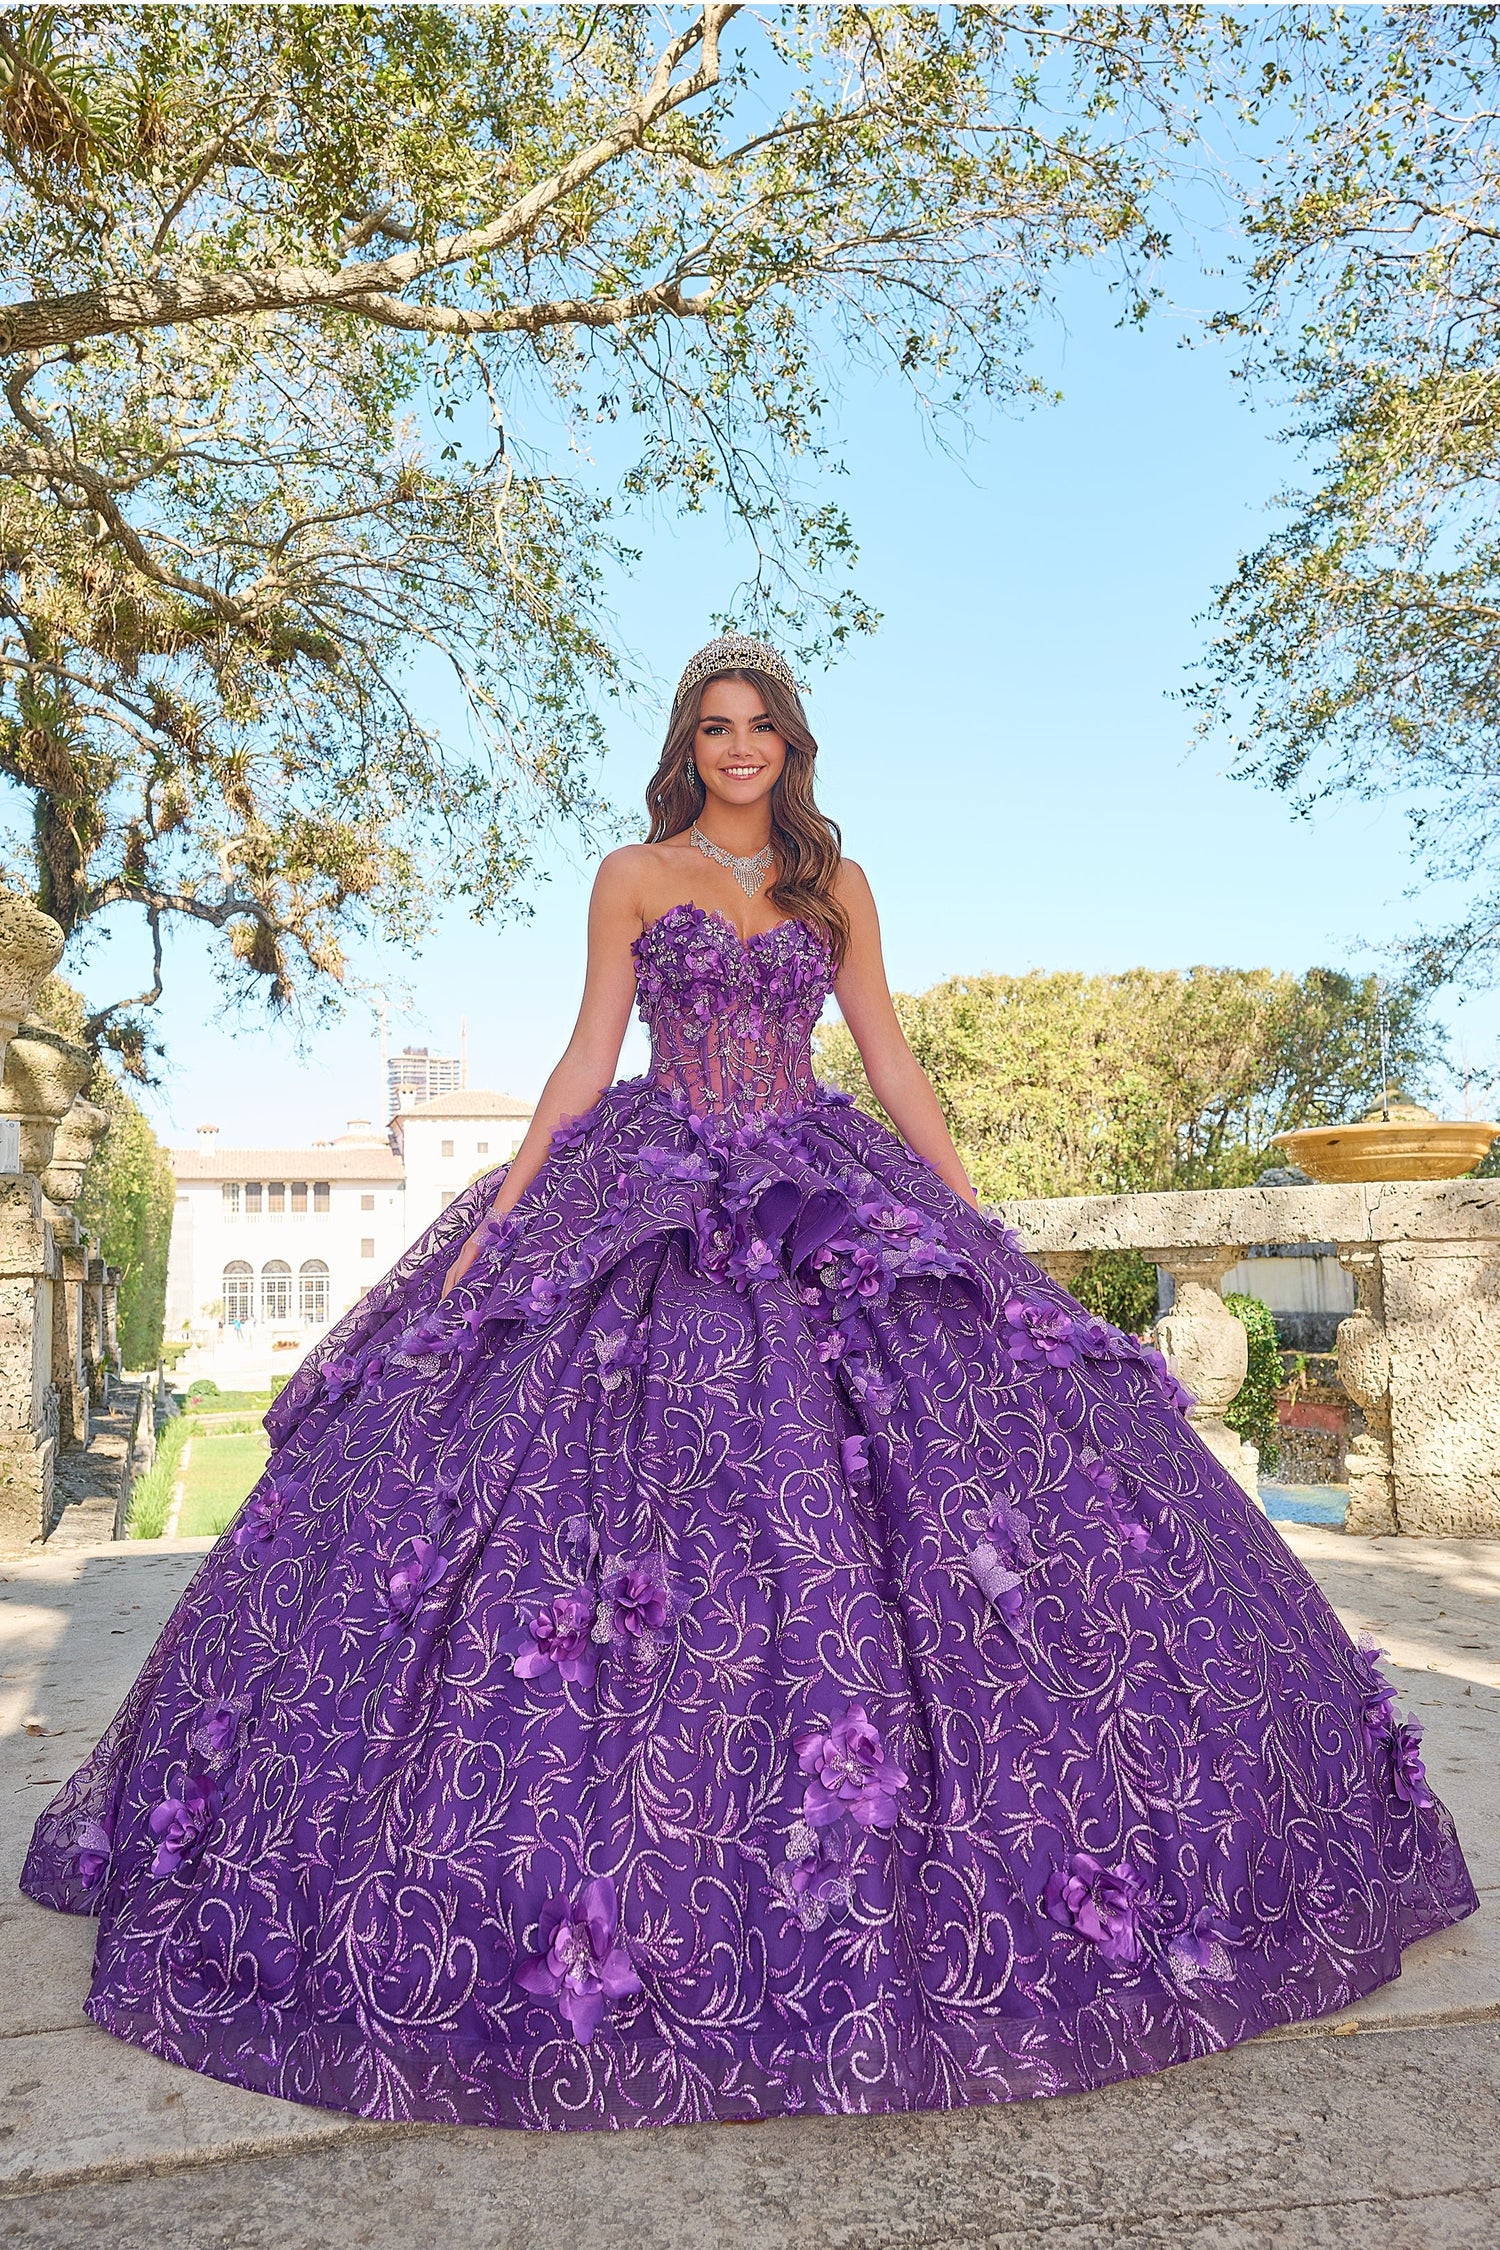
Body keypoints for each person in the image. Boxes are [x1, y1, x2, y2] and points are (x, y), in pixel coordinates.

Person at [22, 634, 1475, 2130]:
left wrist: (972, 1225)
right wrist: (500, 1225)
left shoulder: (834, 888)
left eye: (760, 725)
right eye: (715, 727)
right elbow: (588, 1059)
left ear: (790, 743)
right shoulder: (631, 876)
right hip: (649, 1193)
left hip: (813, 1181)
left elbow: (893, 1065)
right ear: (688, 743)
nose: (738, 747)